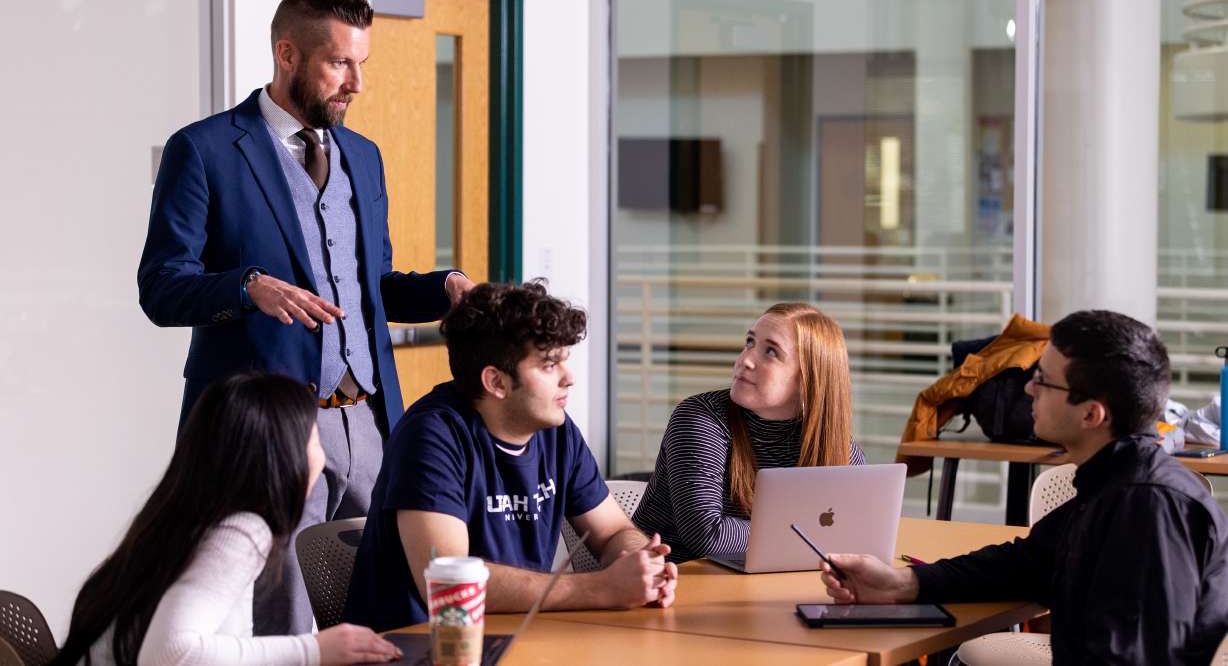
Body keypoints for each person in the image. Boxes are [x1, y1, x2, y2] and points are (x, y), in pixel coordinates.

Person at [136, 0, 473, 634]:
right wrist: (246, 288)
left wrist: (444, 288)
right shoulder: (204, 150)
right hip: (269, 429)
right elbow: (162, 288)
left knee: (394, 605)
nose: (356, 83)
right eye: (339, 63)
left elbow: (370, 287)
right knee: (280, 618)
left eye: (361, 64)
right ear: (287, 54)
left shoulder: (363, 157)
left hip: (369, 421)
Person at [820, 310, 1228, 665]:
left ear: (1091, 414)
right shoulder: (1112, 483)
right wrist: (901, 583)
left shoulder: (1147, 508)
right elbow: (1024, 565)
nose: (1029, 388)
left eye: (1043, 380)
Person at [344, 281, 679, 631]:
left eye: (564, 362)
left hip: (519, 638)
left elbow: (612, 532)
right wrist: (603, 588)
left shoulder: (556, 430)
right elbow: (448, 586)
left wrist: (641, 562)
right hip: (420, 645)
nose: (569, 379)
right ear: (497, 382)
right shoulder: (431, 436)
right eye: (549, 365)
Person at [51, 373, 402, 666]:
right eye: (313, 439)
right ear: (281, 454)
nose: (322, 457)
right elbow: (171, 654)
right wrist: (313, 651)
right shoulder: (241, 532)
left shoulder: (187, 517)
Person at [633, 302, 867, 563]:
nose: (745, 360)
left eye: (771, 352)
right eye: (749, 342)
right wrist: (808, 533)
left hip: (763, 580)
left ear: (808, 380)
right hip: (674, 576)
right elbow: (707, 535)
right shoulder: (700, 417)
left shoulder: (835, 446)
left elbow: (856, 533)